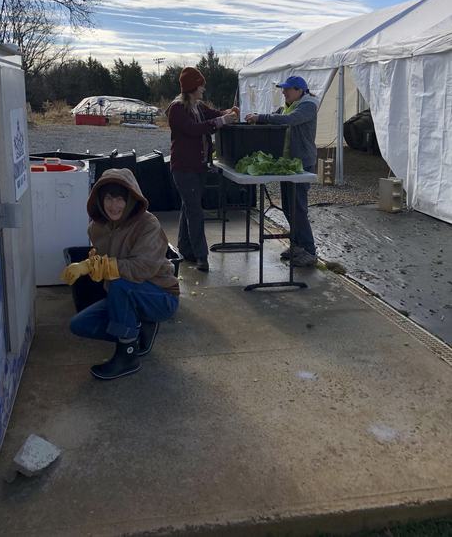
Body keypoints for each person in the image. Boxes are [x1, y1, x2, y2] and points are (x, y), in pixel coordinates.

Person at [62, 168, 180, 380]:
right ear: (99, 198)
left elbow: (144, 268)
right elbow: (101, 260)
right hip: (123, 295)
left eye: (120, 199)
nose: (113, 205)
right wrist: (86, 266)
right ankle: (138, 331)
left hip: (160, 296)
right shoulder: (96, 228)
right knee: (78, 324)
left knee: (119, 283)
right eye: (108, 198)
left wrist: (107, 269)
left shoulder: (148, 224)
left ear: (131, 199)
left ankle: (127, 357)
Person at [167, 66, 238, 272]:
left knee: (189, 206)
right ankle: (201, 256)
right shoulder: (177, 109)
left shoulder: (197, 105)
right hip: (183, 168)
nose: (203, 90)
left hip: (197, 167)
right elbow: (193, 129)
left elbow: (214, 114)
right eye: (200, 86)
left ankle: (185, 249)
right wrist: (221, 121)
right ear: (192, 87)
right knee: (195, 211)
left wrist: (228, 113)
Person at [245, 75, 319, 266]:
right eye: (283, 89)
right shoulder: (289, 104)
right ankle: (297, 245)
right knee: (288, 206)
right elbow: (277, 116)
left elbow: (288, 120)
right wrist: (257, 118)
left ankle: (309, 250)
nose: (284, 92)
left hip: (302, 163)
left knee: (298, 207)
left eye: (287, 89)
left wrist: (261, 117)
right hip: (288, 164)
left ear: (299, 90)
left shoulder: (308, 106)